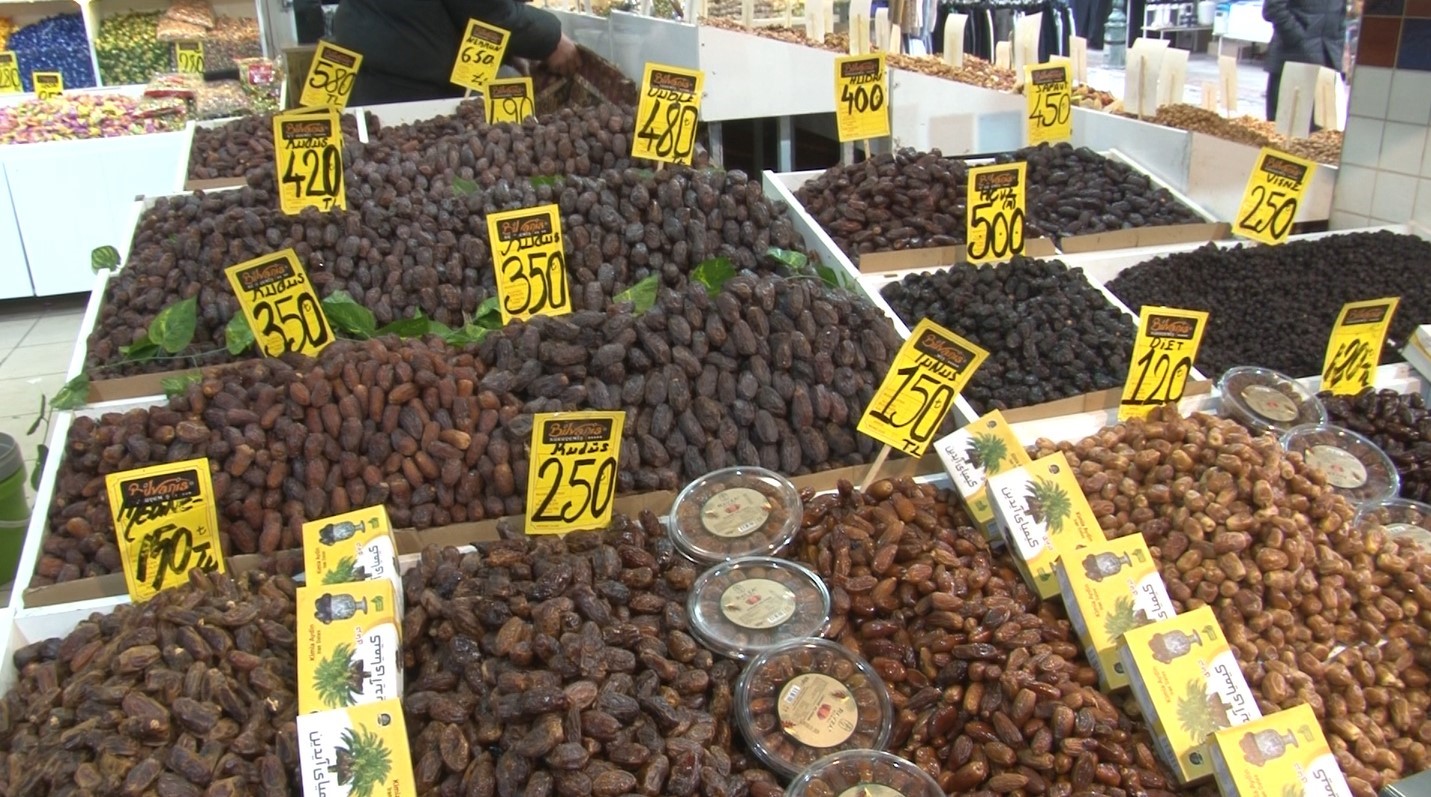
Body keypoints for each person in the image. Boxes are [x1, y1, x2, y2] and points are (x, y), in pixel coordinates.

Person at [331, 0, 581, 106]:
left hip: (367, 53)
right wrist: (552, 39)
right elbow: (489, 11)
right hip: (410, 78)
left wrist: (508, 48)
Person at [1263, 0, 1345, 120]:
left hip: (1327, 60)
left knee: (1320, 127)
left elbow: (1340, 16)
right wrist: (1298, 38)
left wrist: (1337, 47)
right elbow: (1273, 8)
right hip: (1292, 60)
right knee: (1285, 124)